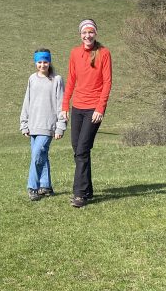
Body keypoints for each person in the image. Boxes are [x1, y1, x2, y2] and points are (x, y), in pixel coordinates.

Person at [62, 19, 112, 208]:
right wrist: (65, 105)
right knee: (78, 148)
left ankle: (80, 194)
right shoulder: (75, 53)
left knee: (82, 149)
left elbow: (107, 82)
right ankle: (88, 189)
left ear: (95, 33)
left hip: (93, 109)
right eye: (84, 32)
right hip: (78, 108)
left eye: (91, 32)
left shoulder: (104, 53)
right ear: (80, 34)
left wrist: (100, 108)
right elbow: (71, 80)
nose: (87, 35)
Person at [20, 49, 66, 201]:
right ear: (35, 63)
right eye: (39, 62)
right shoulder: (32, 79)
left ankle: (32, 187)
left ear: (49, 62)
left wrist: (60, 126)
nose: (42, 65)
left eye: (45, 61)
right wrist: (24, 123)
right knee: (41, 155)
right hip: (33, 125)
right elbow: (27, 102)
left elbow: (62, 105)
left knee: (36, 154)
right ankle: (45, 185)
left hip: (48, 125)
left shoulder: (57, 79)